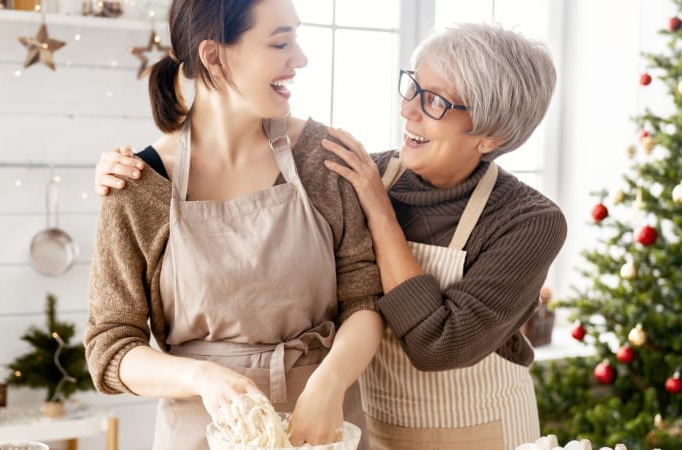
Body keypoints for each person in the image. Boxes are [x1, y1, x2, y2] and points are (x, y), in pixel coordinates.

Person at [95, 22, 566, 450]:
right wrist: (132, 171)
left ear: (493, 134)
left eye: (435, 102)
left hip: (479, 433)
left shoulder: (529, 222)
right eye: (413, 87)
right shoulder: (358, 169)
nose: (408, 110)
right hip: (368, 427)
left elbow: (438, 344)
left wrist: (379, 210)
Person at [84, 0, 383, 449]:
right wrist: (201, 376)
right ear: (214, 57)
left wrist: (330, 383)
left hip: (325, 432)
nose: (299, 58)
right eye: (280, 42)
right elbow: (111, 350)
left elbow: (365, 301)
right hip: (201, 435)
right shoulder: (139, 185)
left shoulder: (322, 157)